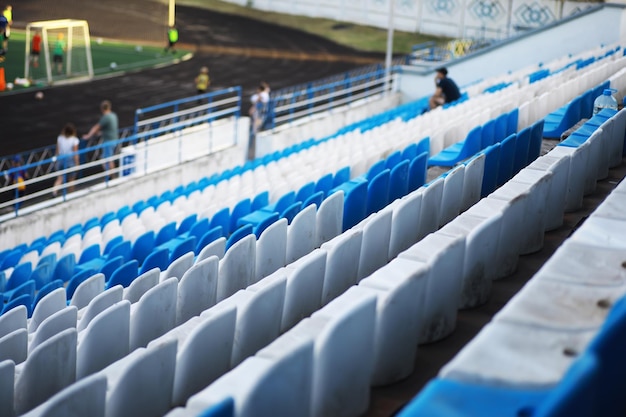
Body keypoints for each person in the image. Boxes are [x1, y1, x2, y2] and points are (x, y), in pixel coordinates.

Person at [83, 100, 119, 177]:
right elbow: (110, 128)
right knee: (106, 158)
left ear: (102, 109)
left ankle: (111, 176)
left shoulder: (106, 117)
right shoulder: (113, 115)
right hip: (114, 139)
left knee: (108, 159)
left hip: (108, 141)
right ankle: (110, 175)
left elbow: (96, 127)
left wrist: (88, 135)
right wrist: (101, 133)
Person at [53, 123, 80, 196]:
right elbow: (75, 153)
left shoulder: (60, 138)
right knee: (71, 178)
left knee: (60, 178)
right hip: (70, 160)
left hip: (61, 159)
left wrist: (56, 160)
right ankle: (70, 194)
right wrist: (77, 164)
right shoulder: (74, 140)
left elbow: (57, 151)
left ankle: (54, 192)